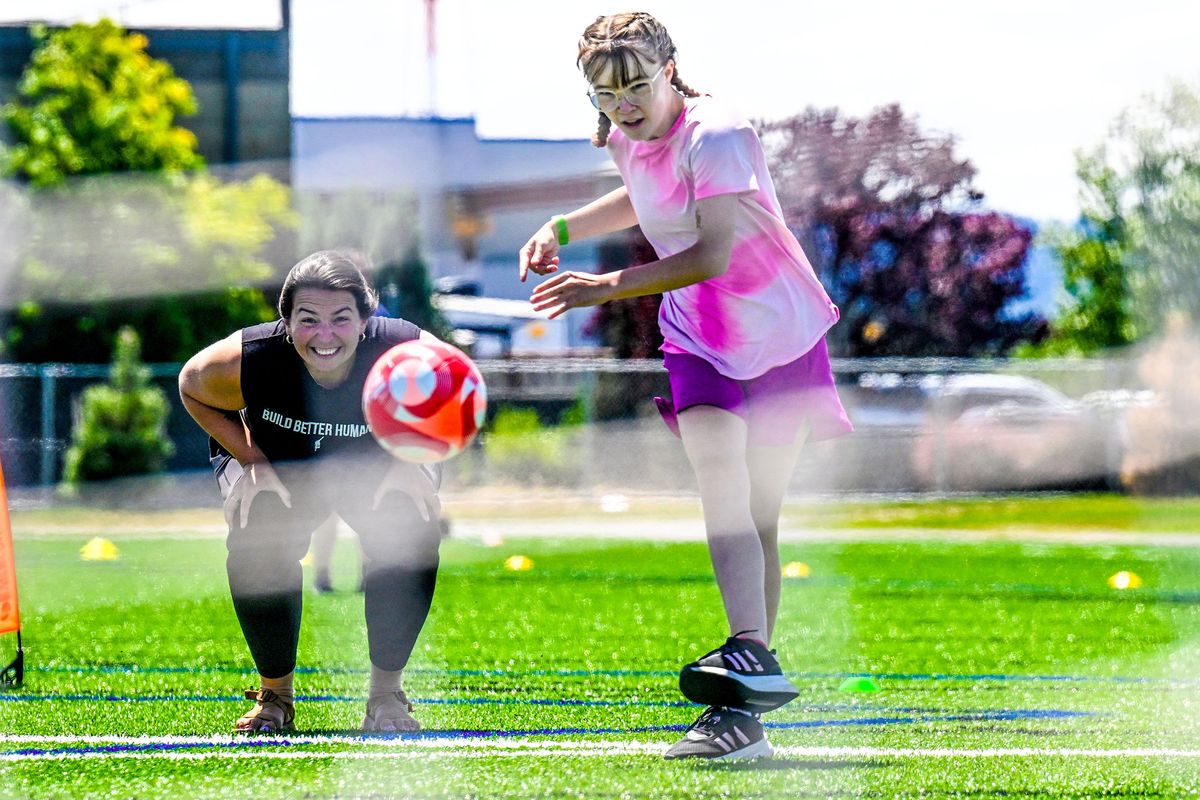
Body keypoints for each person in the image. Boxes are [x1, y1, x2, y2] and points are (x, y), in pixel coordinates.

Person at [518, 12, 853, 761]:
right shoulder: (622, 134)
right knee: (722, 487)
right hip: (699, 336)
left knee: (760, 518)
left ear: (670, 68)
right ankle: (747, 661)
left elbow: (710, 251)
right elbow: (645, 196)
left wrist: (601, 286)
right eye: (605, 95)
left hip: (780, 333)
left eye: (636, 85)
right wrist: (562, 228)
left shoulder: (719, 133)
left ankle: (744, 711)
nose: (624, 106)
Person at [179, 250, 444, 734]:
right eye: (308, 320)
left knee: (408, 524)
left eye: (341, 318)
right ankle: (274, 695)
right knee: (258, 529)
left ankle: (386, 697)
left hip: (375, 462)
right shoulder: (252, 358)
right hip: (279, 463)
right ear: (285, 322)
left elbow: (460, 386)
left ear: (366, 319)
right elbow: (191, 384)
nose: (325, 335)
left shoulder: (403, 348)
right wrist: (252, 460)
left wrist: (412, 457)